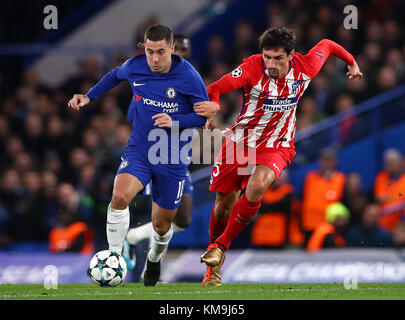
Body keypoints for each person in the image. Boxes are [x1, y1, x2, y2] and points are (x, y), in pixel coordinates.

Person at [193, 26, 363, 286]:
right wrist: (212, 111)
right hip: (240, 143)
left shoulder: (306, 66)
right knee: (223, 207)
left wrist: (351, 62)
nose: (270, 64)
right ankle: (212, 266)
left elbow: (328, 43)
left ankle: (221, 247)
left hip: (278, 144)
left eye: (277, 58)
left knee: (257, 185)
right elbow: (214, 88)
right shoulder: (251, 68)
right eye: (267, 57)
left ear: (291, 55)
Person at [68, 24, 209, 286]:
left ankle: (154, 259)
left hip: (172, 156)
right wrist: (89, 96)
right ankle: (114, 257)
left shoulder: (189, 77)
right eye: (149, 51)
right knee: (119, 196)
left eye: (160, 52)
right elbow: (114, 75)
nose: (154, 58)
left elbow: (202, 117)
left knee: (162, 226)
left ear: (172, 49)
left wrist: (175, 120)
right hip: (141, 149)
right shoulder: (135, 65)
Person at [123, 34, 196, 272]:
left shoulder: (189, 78)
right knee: (164, 216)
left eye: (185, 50)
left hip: (180, 155)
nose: (182, 54)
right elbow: (132, 114)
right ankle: (150, 268)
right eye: (179, 50)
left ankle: (133, 237)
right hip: (157, 155)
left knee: (183, 220)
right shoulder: (151, 81)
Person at [301, 147, 346, 238]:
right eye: (324, 160)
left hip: (329, 227)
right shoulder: (310, 177)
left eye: (329, 160)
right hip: (309, 225)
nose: (326, 163)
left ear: (335, 162)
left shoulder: (340, 179)